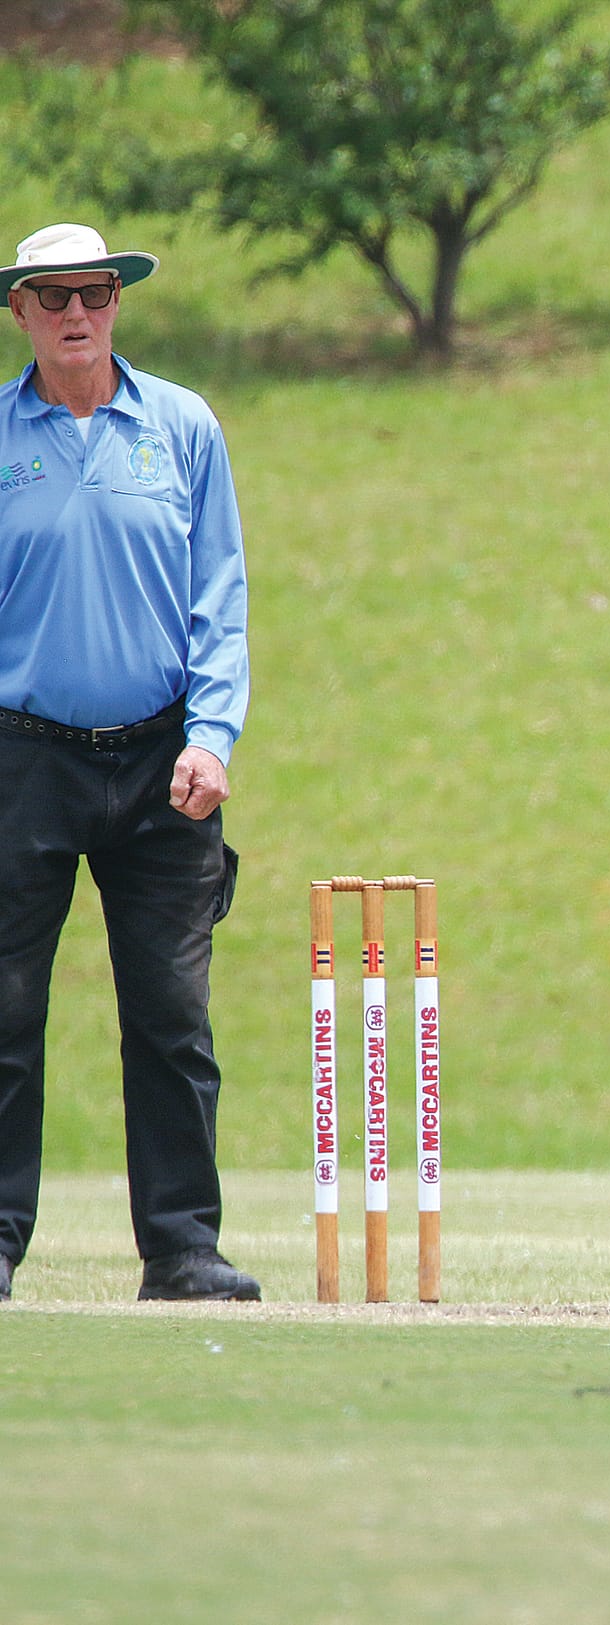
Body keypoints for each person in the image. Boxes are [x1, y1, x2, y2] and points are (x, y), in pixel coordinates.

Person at [0, 222, 258, 1304]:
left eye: (93, 293)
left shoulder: (182, 427)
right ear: (19, 311)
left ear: (117, 302)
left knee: (170, 1015)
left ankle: (182, 1247)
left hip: (162, 757)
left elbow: (222, 595)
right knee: (8, 1013)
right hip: (22, 758)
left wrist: (212, 734)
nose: (75, 314)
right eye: (52, 296)